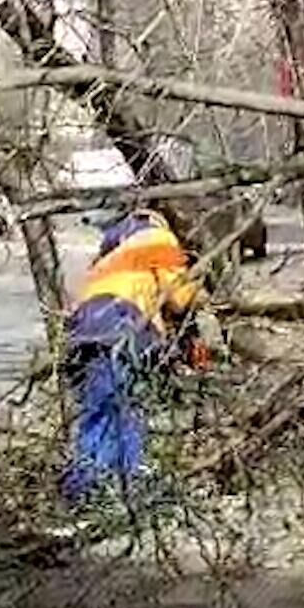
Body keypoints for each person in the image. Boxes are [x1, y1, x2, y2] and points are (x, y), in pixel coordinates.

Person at [61, 208, 208, 502]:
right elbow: (178, 298)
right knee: (126, 408)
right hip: (123, 323)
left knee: (100, 411)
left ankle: (88, 489)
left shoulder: (110, 258)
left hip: (86, 329)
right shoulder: (158, 238)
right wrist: (200, 286)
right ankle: (123, 487)